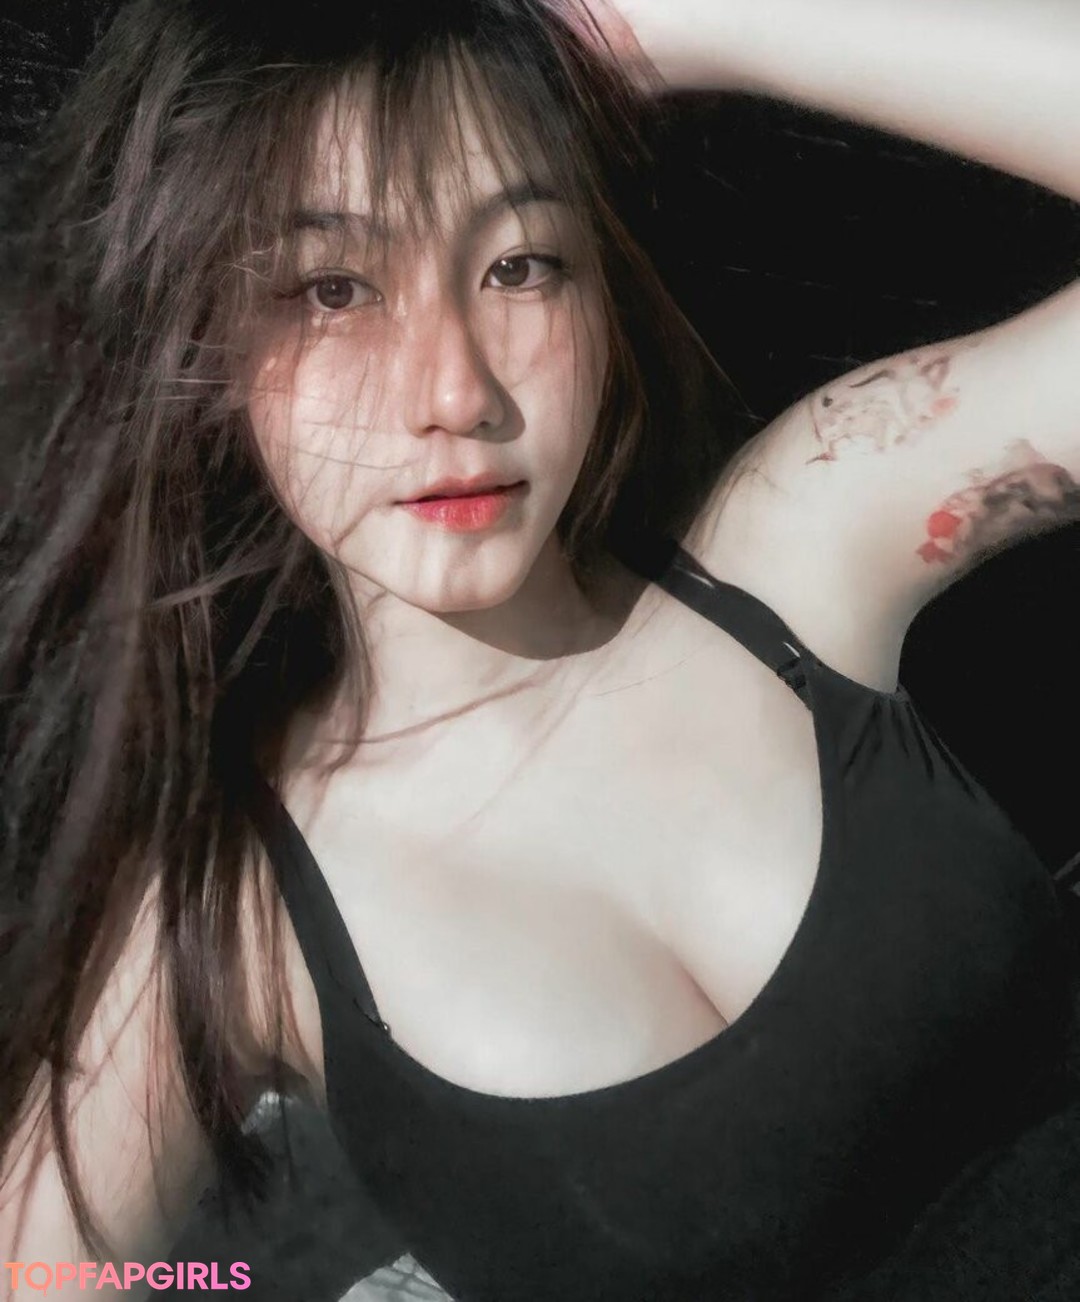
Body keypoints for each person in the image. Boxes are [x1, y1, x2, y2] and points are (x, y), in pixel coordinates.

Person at [1, 0, 1079, 1298]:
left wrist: (675, 25)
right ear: (204, 345)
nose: (456, 391)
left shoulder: (799, 551)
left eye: (520, 265)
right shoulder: (233, 912)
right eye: (332, 289)